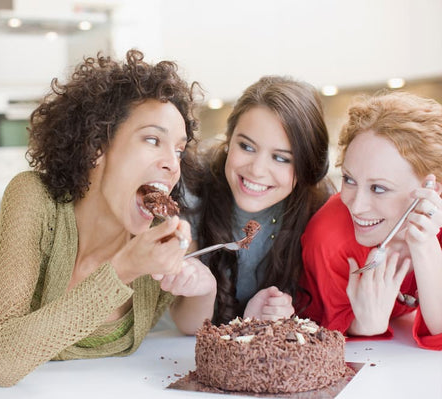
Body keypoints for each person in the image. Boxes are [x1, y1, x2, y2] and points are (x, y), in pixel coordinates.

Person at [0, 49, 216, 390]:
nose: (173, 164)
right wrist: (123, 269)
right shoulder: (37, 201)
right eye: (153, 139)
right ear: (98, 145)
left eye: (179, 150)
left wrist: (204, 287)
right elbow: (4, 363)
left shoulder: (157, 233)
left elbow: (189, 324)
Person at [183, 76, 334, 325]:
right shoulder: (194, 188)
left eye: (282, 158)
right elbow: (186, 323)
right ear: (229, 140)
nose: (258, 170)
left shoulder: (319, 211)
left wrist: (275, 317)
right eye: (247, 147)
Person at [300, 91, 442, 350]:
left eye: (378, 188)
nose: (356, 205)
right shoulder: (329, 238)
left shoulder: (434, 218)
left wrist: (426, 246)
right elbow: (324, 335)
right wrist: (363, 326)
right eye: (349, 180)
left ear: (433, 189)